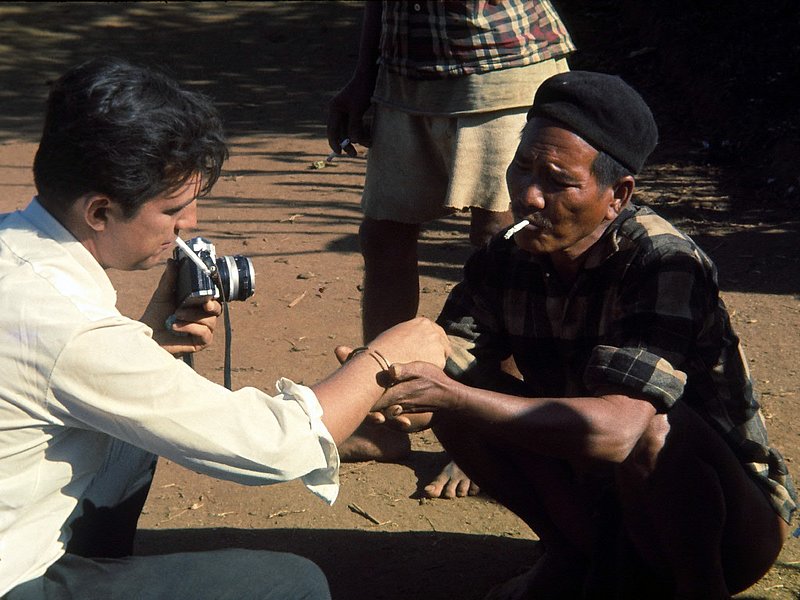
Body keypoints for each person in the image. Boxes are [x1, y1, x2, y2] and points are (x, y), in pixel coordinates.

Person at [0, 57, 450, 600]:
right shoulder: (70, 327)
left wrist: (146, 342)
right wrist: (380, 359)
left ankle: (96, 567)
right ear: (99, 211)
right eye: (173, 211)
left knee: (128, 438)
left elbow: (55, 365)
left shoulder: (17, 247)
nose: (188, 224)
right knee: (290, 585)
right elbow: (270, 449)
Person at [371, 70, 798, 597]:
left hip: (730, 527)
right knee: (448, 376)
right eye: (522, 167)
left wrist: (455, 396)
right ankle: (575, 555)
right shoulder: (507, 255)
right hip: (598, 494)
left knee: (653, 429)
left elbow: (621, 431)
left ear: (617, 195)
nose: (528, 196)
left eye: (557, 179)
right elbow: (451, 356)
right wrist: (402, 389)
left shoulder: (664, 262)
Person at [327, 0, 575, 498]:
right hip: (405, 72)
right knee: (384, 234)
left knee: (504, 243)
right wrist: (365, 74)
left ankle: (493, 429)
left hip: (502, 65)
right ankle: (384, 414)